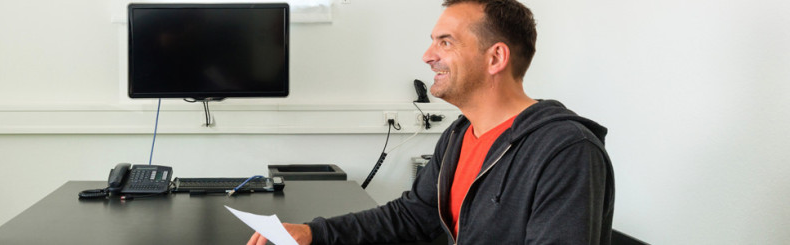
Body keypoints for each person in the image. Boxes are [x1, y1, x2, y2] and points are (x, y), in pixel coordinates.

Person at [248, 0, 614, 244]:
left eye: (446, 42)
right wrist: (312, 234)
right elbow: (411, 216)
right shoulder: (459, 135)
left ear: (496, 57)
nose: (427, 55)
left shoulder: (566, 152)